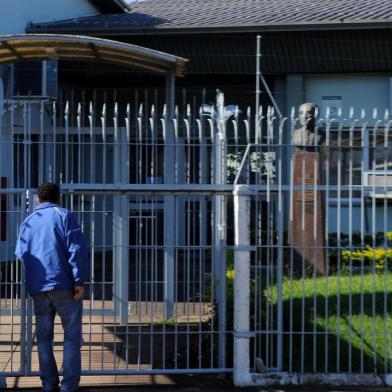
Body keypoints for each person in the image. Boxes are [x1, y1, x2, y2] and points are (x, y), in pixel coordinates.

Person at [15, 182, 89, 392]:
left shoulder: (28, 221)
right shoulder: (64, 215)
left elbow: (21, 253)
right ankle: (68, 386)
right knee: (72, 336)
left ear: (38, 198)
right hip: (64, 283)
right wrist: (79, 281)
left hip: (39, 286)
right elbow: (77, 250)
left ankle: (49, 384)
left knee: (44, 338)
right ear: (59, 197)